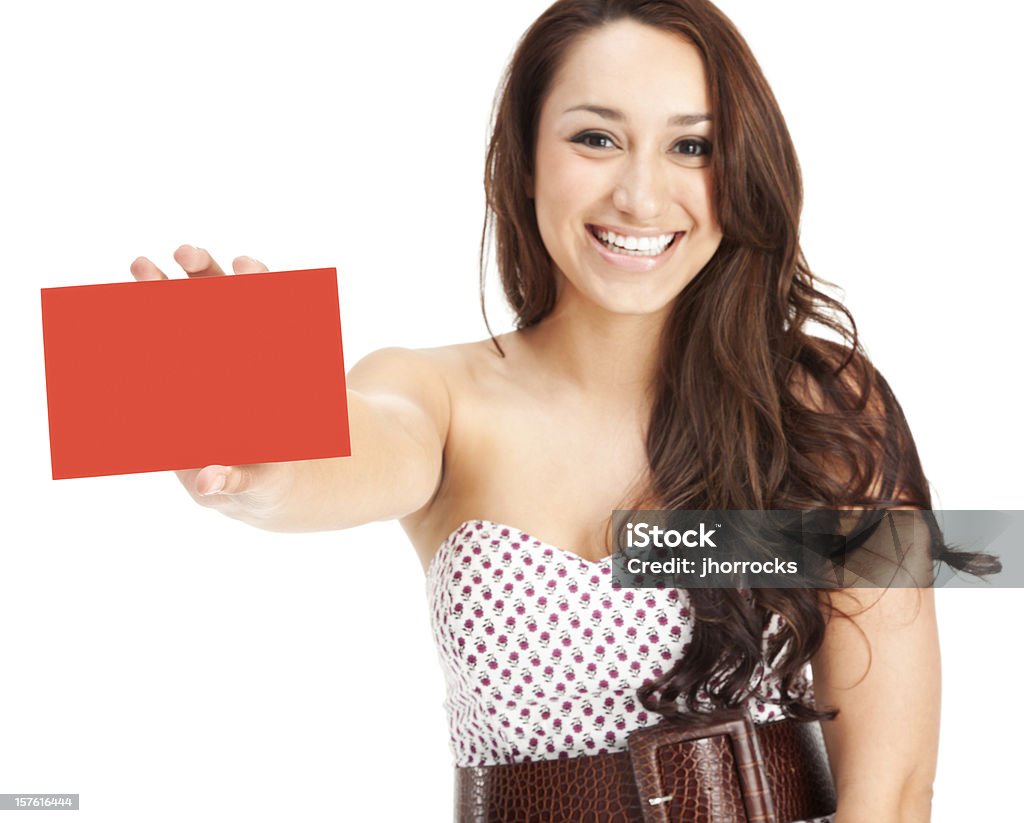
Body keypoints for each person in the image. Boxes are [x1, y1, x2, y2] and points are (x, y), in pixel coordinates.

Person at [129, 1, 993, 820]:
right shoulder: (439, 394)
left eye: (692, 147)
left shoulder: (821, 402)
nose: (642, 197)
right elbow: (346, 449)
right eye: (596, 138)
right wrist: (262, 455)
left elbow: (894, 788)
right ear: (526, 157)